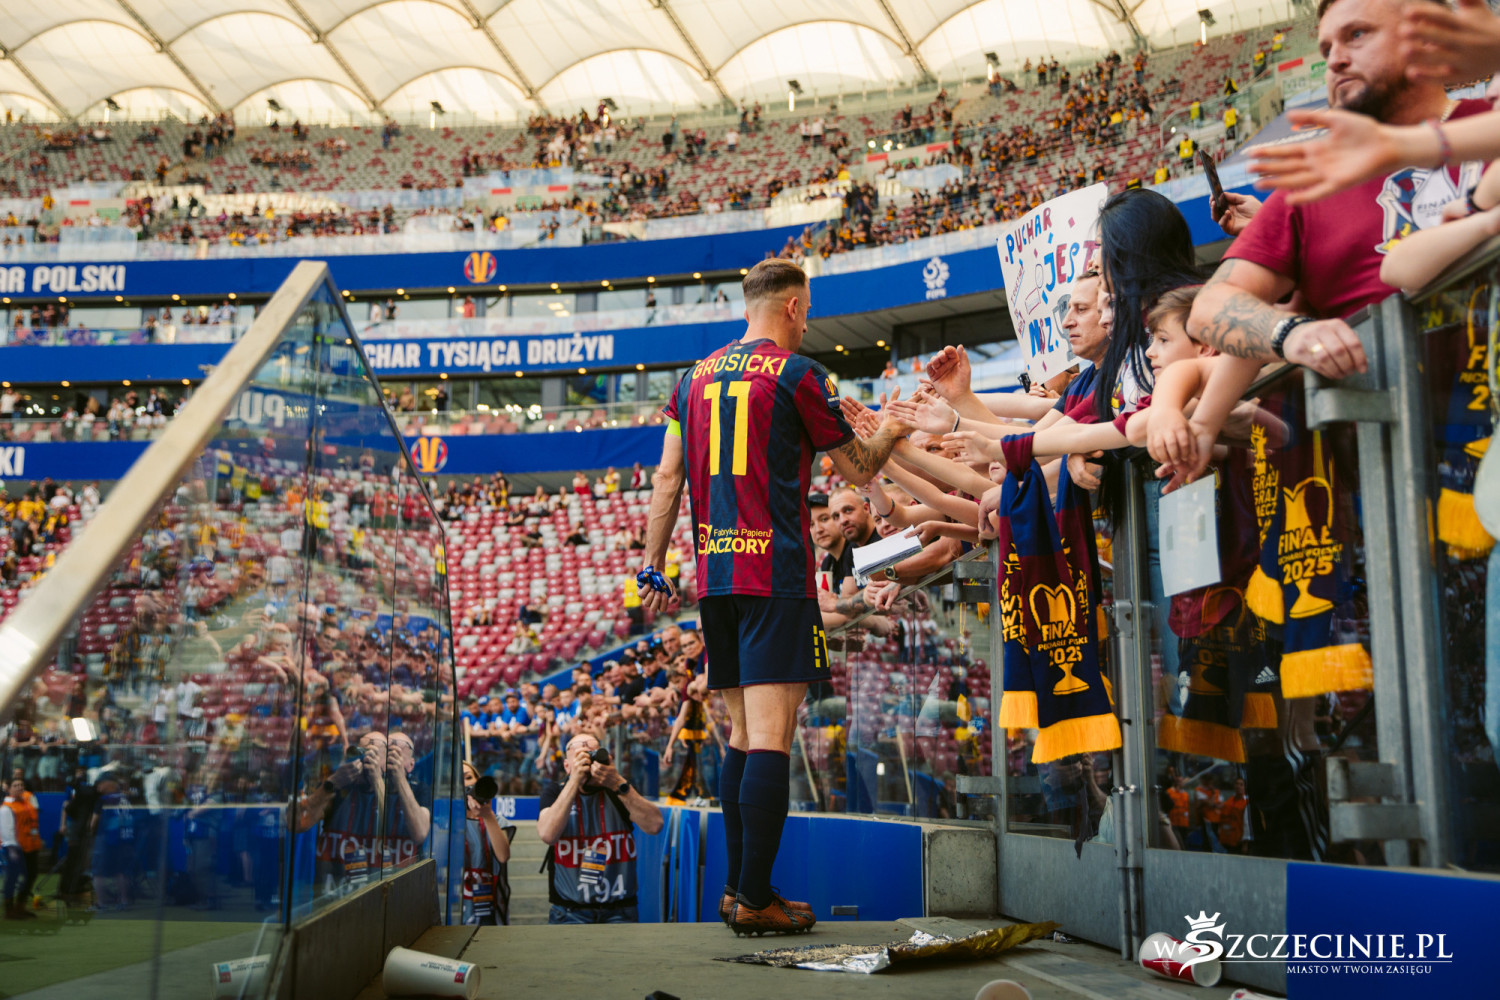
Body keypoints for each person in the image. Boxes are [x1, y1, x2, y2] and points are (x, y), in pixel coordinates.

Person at [638, 257, 913, 935]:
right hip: (777, 575)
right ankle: (756, 898)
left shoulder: (690, 380)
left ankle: (739, 889)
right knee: (770, 738)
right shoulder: (799, 375)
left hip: (716, 579)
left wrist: (651, 564)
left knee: (740, 734)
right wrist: (893, 427)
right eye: (808, 311)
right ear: (792, 307)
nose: (808, 323)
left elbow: (668, 479)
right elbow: (860, 465)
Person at [1174, 0, 1495, 486]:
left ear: (1427, 35)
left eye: (1357, 35)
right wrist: (1293, 333)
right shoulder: (1309, 188)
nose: (1336, 59)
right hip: (1404, 486)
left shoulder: (1489, 124)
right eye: (1326, 49)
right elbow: (1209, 309)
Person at [536, 732, 663, 923]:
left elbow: (655, 825)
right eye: (580, 755)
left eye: (593, 752)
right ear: (567, 766)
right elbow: (547, 834)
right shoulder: (555, 792)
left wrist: (617, 782)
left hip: (619, 909)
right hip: (569, 910)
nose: (588, 762)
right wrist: (574, 781)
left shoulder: (618, 790)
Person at [461, 761, 515, 925]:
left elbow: (503, 856)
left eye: (469, 777)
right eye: (459, 780)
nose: (466, 784)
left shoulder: (496, 820)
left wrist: (487, 815)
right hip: (459, 911)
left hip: (493, 910)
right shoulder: (447, 824)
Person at [2, 778, 41, 919]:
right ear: (9, 789)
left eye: (21, 785)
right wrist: (12, 849)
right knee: (13, 877)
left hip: (30, 845)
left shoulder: (27, 803)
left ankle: (21, 906)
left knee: (31, 875)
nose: (19, 787)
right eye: (15, 785)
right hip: (15, 848)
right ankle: (9, 909)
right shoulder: (6, 808)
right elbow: (7, 831)